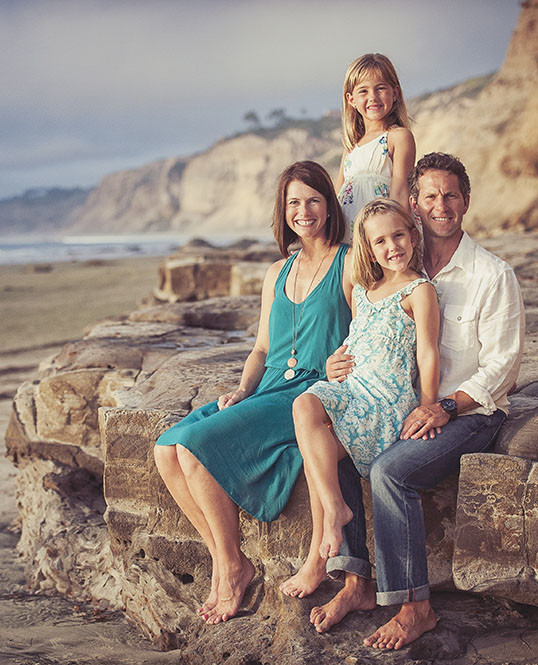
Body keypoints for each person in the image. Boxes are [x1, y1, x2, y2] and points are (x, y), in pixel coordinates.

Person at [312, 153, 525, 650]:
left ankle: (415, 608)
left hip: (470, 412)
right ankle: (356, 582)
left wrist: (445, 407)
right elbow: (367, 334)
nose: (440, 205)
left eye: (451, 195)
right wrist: (334, 366)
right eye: (429, 195)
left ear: (466, 202)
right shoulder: (397, 263)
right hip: (400, 403)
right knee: (333, 436)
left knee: (390, 470)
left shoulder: (493, 276)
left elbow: (503, 369)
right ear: (414, 203)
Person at [153, 161, 353, 624]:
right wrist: (242, 389)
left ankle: (228, 569)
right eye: (293, 203)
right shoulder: (276, 272)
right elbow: (262, 348)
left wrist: (341, 363)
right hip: (265, 390)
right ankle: (231, 561)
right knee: (166, 450)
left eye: (312, 200)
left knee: (195, 448)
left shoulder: (349, 263)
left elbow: (369, 328)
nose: (303, 211)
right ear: (283, 213)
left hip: (310, 395)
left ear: (329, 205)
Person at [280, 198, 440, 600]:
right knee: (304, 404)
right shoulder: (366, 290)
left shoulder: (420, 290)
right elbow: (356, 339)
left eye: (399, 235)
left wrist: (428, 404)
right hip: (353, 390)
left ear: (413, 235)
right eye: (380, 241)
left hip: (385, 401)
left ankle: (328, 541)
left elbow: (427, 353)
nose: (392, 247)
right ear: (368, 249)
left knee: (315, 450)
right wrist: (335, 360)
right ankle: (335, 509)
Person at [335, 53, 417, 229]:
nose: (373, 97)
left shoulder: (398, 137)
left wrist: (389, 238)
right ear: (351, 100)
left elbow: (401, 194)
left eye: (380, 88)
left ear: (394, 93)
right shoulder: (351, 147)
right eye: (363, 91)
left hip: (381, 234)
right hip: (348, 239)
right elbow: (336, 197)